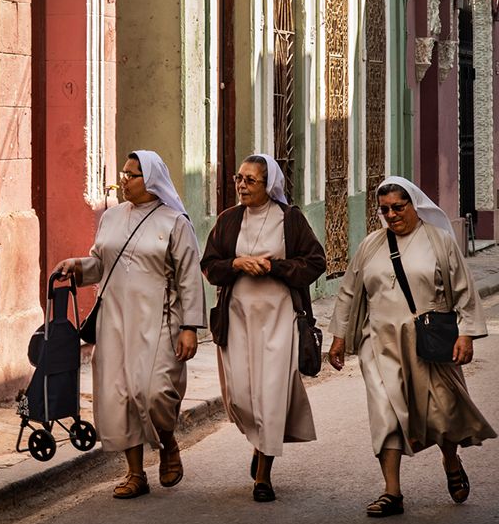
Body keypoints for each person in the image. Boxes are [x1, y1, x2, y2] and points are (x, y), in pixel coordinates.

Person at [327, 176, 495, 518]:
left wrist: (466, 334)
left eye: (398, 208)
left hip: (428, 341)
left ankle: (450, 460)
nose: (391, 215)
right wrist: (339, 336)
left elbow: (463, 289)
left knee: (441, 411)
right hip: (378, 343)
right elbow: (348, 291)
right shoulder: (371, 245)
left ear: (414, 206)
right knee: (384, 413)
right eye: (385, 209)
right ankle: (392, 492)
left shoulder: (439, 241)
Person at [54, 151, 206, 498]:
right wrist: (77, 266)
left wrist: (189, 327)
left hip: (159, 320)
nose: (124, 179)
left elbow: (189, 278)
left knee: (154, 392)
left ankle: (167, 443)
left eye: (132, 174)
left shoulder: (174, 222)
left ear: (151, 179)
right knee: (119, 395)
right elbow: (100, 263)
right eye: (123, 173)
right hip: (115, 320)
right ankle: (135, 473)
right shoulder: (111, 217)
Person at [200, 153, 325, 502]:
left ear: (268, 185)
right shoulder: (228, 220)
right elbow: (209, 265)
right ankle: (259, 443)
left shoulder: (290, 219)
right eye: (239, 179)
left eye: (250, 180)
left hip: (279, 318)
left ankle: (263, 475)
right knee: (240, 395)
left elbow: (316, 262)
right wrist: (237, 263)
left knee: (270, 394)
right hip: (237, 318)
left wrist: (275, 268)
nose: (241, 185)